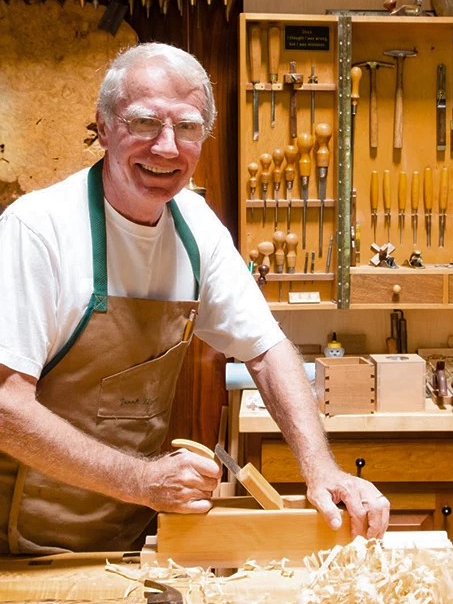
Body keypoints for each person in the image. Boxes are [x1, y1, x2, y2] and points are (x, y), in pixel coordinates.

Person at [0, 43, 389, 555]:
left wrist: (321, 471)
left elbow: (267, 350)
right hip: (19, 541)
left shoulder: (196, 227)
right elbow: (6, 406)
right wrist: (142, 481)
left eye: (187, 127)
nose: (167, 148)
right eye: (144, 123)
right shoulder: (37, 229)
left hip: (127, 533)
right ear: (103, 125)